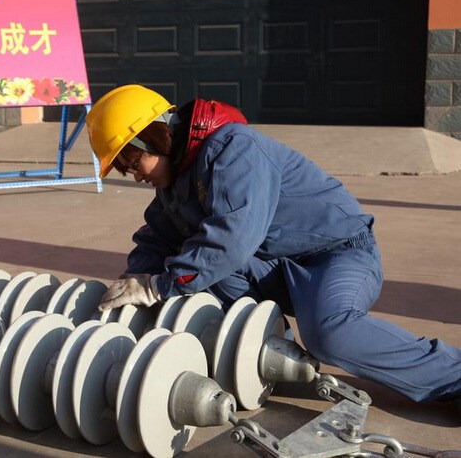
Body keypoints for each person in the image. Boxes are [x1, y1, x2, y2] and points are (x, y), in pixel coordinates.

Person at [85, 83, 461, 408]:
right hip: (276, 263)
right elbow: (156, 238)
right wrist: (133, 283)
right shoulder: (177, 181)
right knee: (199, 269)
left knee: (329, 334)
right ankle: (265, 353)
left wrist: (158, 286)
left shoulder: (234, 150)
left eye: (133, 163)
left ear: (156, 138)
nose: (136, 176)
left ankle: (452, 376)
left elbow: (232, 238)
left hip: (337, 254)